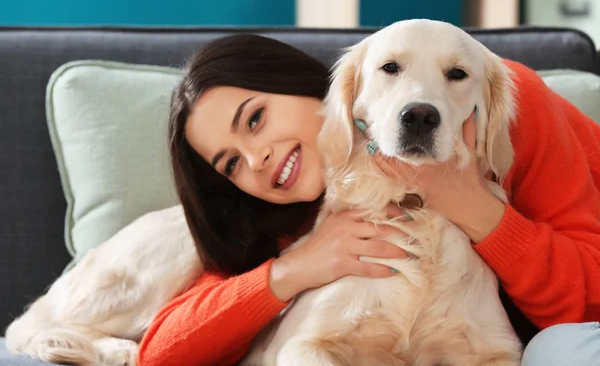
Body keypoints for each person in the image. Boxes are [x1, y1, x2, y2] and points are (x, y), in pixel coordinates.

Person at [137, 33, 600, 366]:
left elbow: (587, 310)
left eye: (256, 120)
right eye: (231, 164)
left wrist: (463, 199)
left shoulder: (494, 97)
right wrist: (294, 269)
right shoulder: (276, 218)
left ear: (317, 89)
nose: (256, 160)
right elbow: (161, 352)